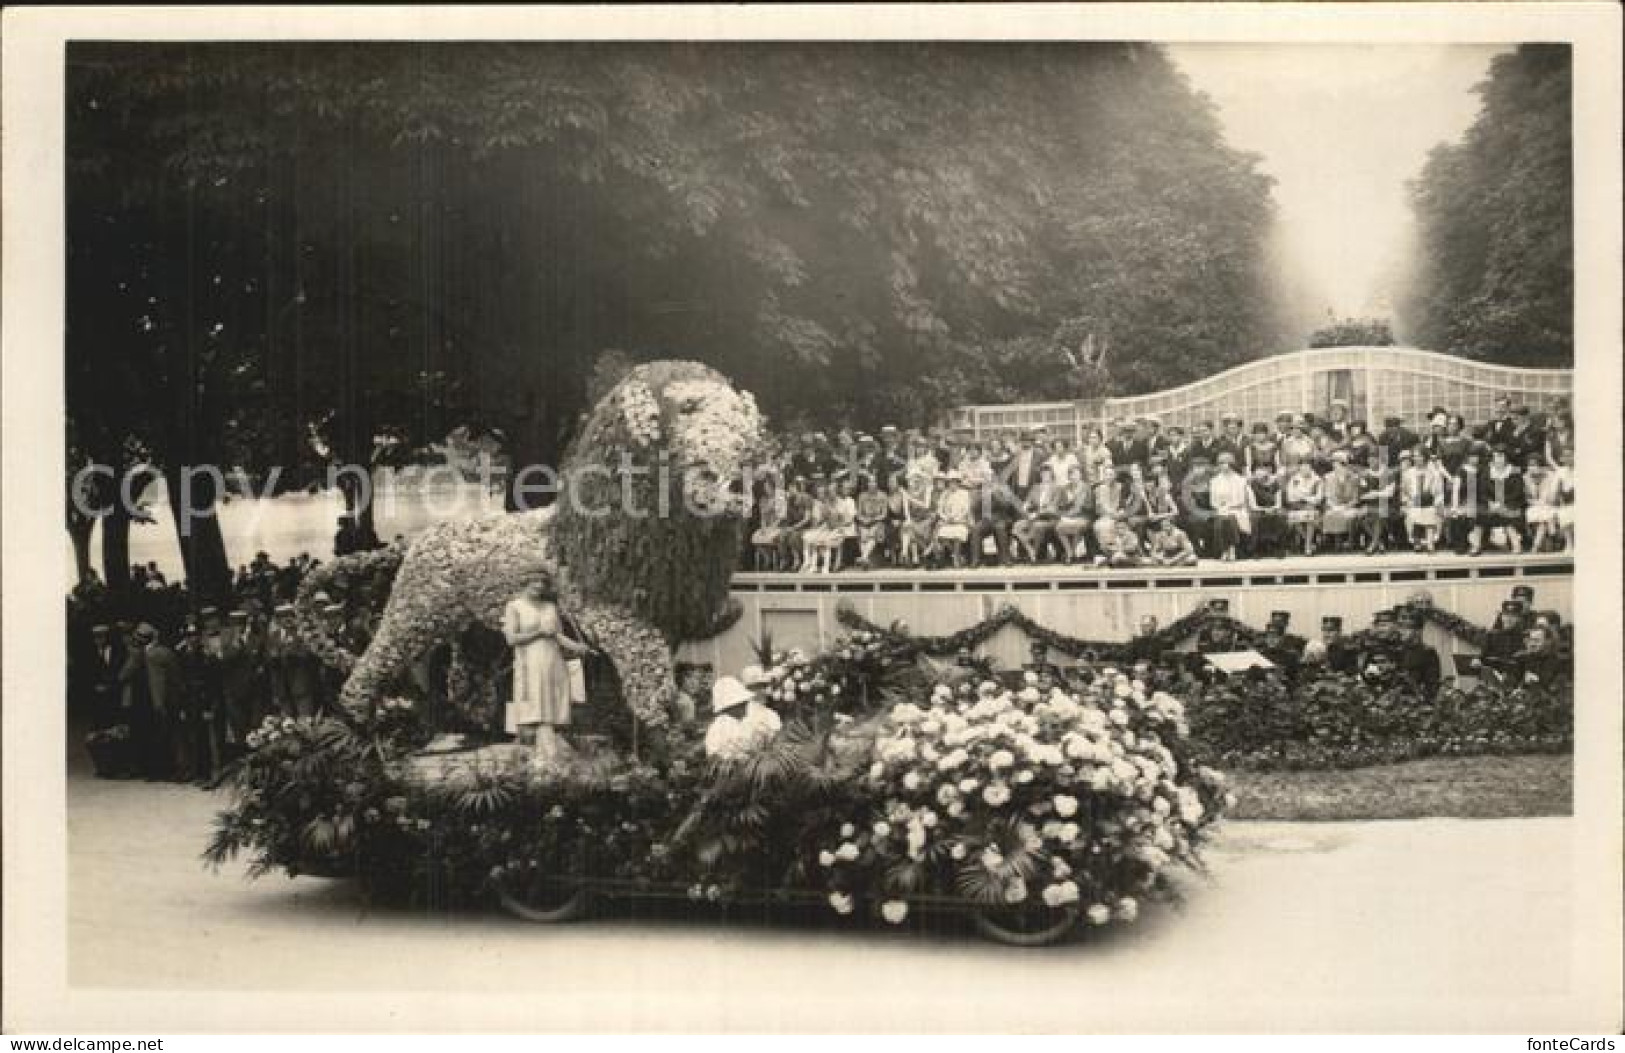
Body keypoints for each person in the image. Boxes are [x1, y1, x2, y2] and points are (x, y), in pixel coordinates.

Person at [502, 579, 591, 764]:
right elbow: (511, 639)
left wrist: (577, 646)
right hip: (530, 660)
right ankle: (544, 756)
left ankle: (551, 751)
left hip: (553, 659)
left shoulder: (550, 606)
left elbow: (557, 635)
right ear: (525, 584)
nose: (539, 588)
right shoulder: (514, 606)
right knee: (538, 706)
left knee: (553, 705)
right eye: (535, 585)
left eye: (542, 586)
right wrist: (538, 633)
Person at [703, 671, 783, 761]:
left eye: (729, 709)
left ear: (743, 702)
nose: (728, 713)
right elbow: (712, 752)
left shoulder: (768, 716)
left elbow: (779, 746)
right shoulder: (718, 726)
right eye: (725, 710)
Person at [1207, 453, 1250, 562]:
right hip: (1221, 509)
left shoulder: (1240, 480)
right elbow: (1213, 501)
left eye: (1225, 463)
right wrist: (1220, 506)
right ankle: (1225, 550)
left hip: (1237, 509)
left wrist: (1229, 506)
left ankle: (1231, 549)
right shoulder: (1215, 481)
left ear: (1231, 464)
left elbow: (1241, 500)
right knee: (1222, 519)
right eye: (1220, 463)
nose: (1222, 466)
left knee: (1230, 518)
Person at [934, 471, 974, 568]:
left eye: (954, 482)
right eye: (950, 482)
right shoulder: (945, 494)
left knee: (959, 532)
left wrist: (957, 518)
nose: (952, 484)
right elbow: (939, 509)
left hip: (961, 520)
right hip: (948, 521)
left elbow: (966, 508)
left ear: (958, 482)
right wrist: (945, 517)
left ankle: (956, 557)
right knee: (941, 533)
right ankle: (953, 554)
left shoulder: (964, 493)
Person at [1245, 463, 1284, 558]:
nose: (1260, 474)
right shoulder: (1251, 485)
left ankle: (1275, 547)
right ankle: (1257, 548)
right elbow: (1253, 505)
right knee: (1256, 518)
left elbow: (1278, 503)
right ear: (1254, 474)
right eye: (1257, 472)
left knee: (1280, 516)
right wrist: (1264, 510)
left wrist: (1272, 508)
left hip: (1273, 508)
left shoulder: (1275, 484)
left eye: (1263, 471)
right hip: (1257, 509)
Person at [855, 475, 892, 569]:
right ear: (867, 484)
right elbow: (858, 513)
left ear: (877, 484)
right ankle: (865, 559)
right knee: (862, 533)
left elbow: (884, 514)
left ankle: (864, 557)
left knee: (873, 532)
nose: (872, 484)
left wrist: (873, 519)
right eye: (870, 482)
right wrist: (864, 520)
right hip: (864, 522)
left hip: (878, 522)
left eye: (874, 482)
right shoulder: (862, 496)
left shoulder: (883, 495)